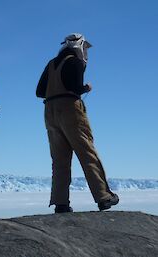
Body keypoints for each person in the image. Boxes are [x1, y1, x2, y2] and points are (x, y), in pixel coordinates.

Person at [36, 33, 119, 213]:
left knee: (59, 159)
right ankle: (103, 197)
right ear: (80, 46)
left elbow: (39, 91)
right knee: (86, 152)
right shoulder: (76, 62)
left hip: (49, 111)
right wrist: (85, 88)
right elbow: (74, 87)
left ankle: (60, 202)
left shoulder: (51, 64)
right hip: (70, 109)